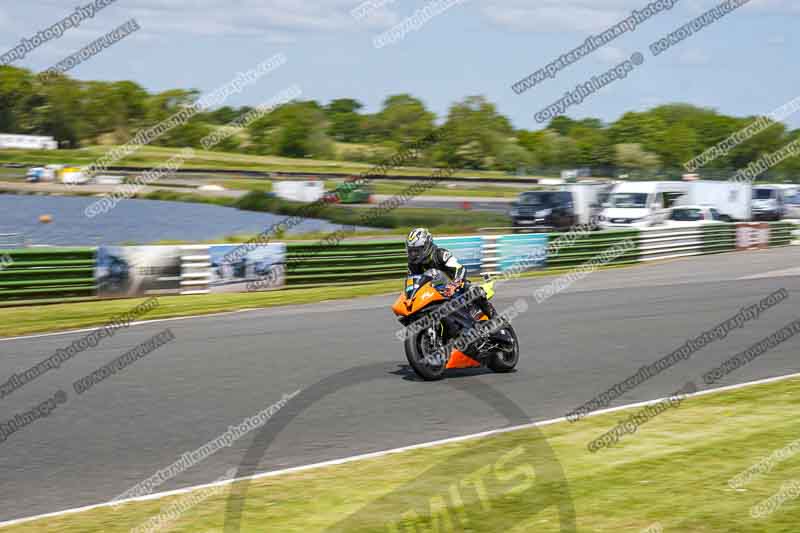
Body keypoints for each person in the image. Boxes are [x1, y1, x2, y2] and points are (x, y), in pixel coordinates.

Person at [405, 227, 495, 319]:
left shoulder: (440, 254)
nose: (413, 254)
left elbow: (460, 269)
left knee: (473, 290)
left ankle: (491, 315)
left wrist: (454, 285)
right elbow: (412, 282)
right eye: (411, 251)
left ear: (426, 246)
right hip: (433, 292)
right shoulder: (413, 265)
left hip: (455, 287)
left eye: (416, 250)